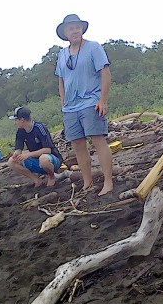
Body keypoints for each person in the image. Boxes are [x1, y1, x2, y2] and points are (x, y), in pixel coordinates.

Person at [55, 14, 115, 196]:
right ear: (65, 32)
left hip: (91, 102)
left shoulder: (93, 47)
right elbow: (61, 80)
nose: (75, 31)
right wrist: (63, 102)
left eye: (77, 27)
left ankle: (108, 181)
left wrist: (102, 100)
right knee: (78, 145)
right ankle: (87, 182)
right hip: (70, 107)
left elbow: (105, 73)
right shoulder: (62, 54)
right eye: (71, 28)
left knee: (98, 140)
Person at [6, 106, 64, 188]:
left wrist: (28, 154)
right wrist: (16, 154)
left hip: (51, 159)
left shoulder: (39, 128)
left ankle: (51, 176)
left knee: (43, 159)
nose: (15, 123)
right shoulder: (20, 131)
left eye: (16, 120)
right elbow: (19, 148)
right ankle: (36, 179)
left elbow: (48, 149)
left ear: (22, 120)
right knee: (11, 161)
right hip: (35, 160)